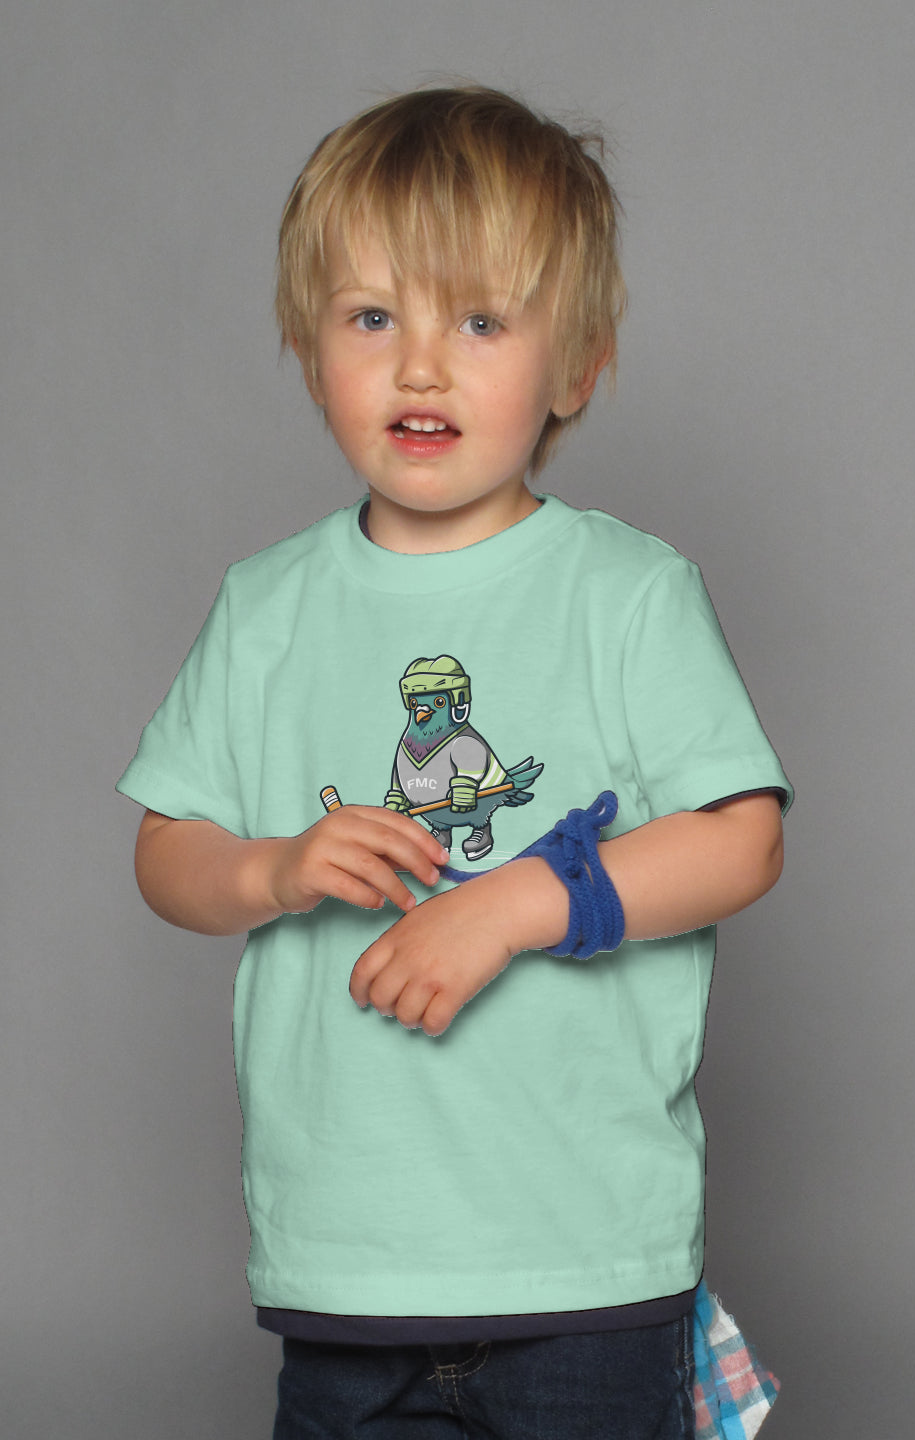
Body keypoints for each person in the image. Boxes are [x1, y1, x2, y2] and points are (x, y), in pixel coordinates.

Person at [117, 84, 792, 1440]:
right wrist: (273, 867)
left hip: (584, 1263)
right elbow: (166, 854)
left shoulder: (627, 593)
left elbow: (742, 838)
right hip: (345, 1267)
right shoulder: (267, 606)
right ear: (310, 351)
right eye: (374, 318)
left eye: (480, 322)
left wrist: (522, 901)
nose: (421, 367)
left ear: (576, 368)